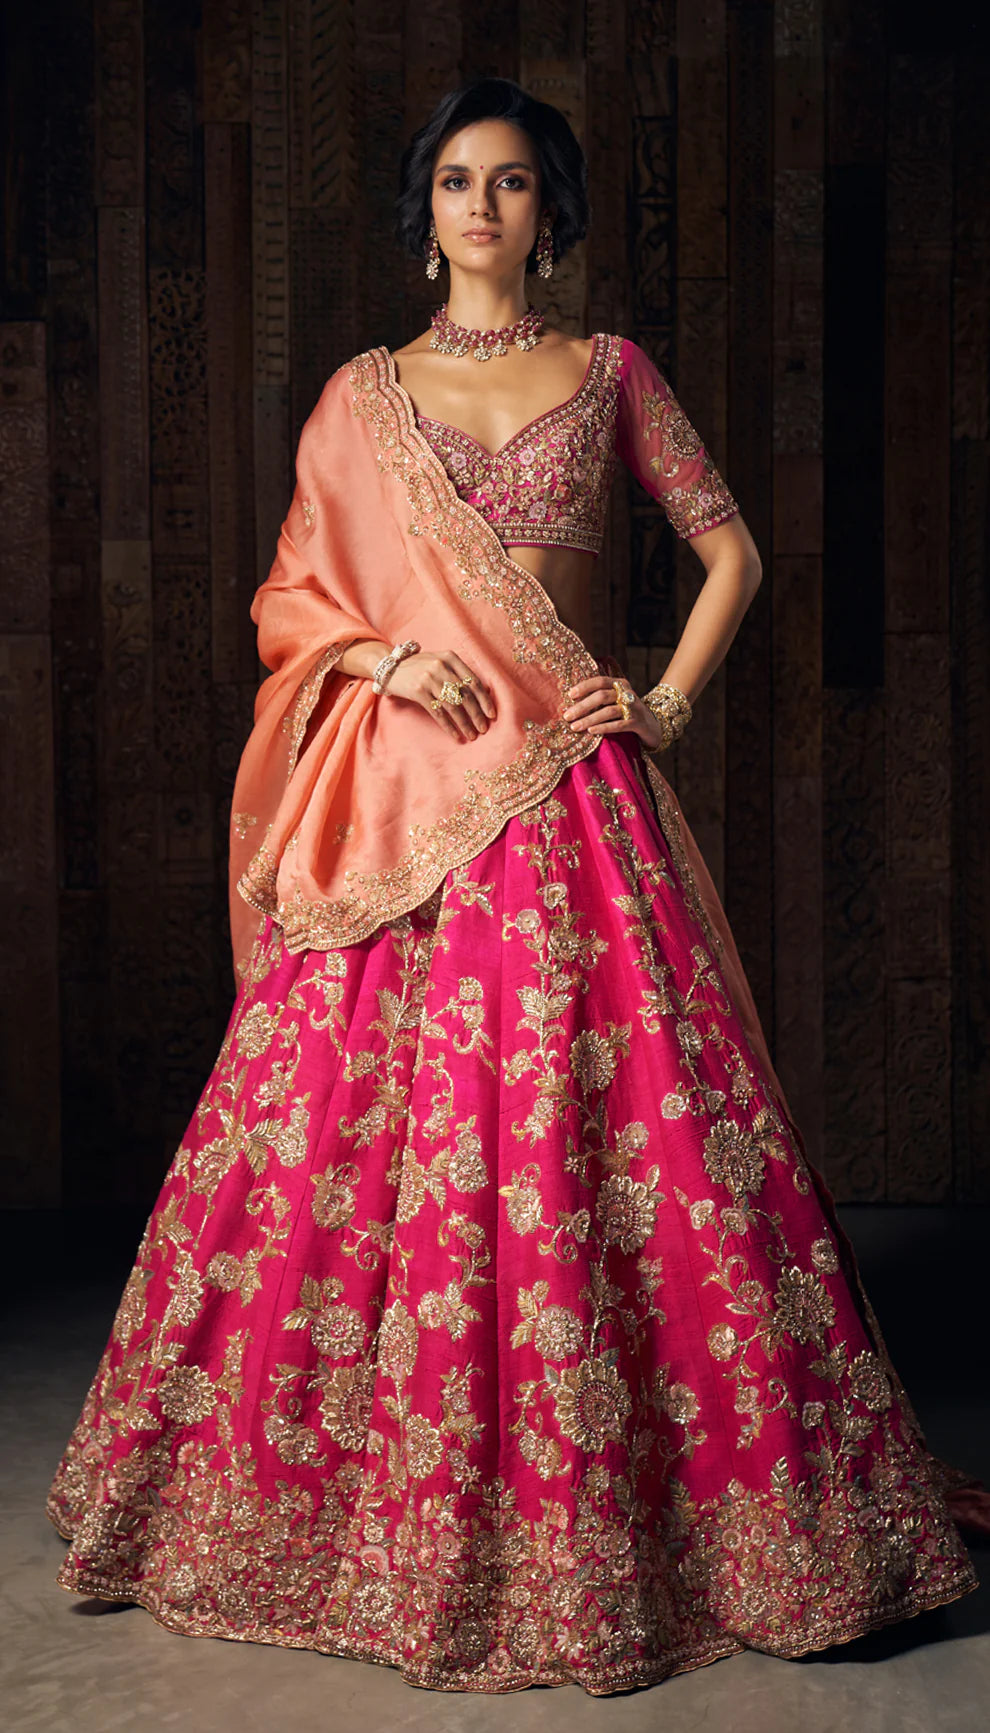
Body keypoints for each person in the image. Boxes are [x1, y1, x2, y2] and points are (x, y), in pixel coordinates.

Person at [47, 77, 987, 1697]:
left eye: (510, 184)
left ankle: (659, 1496)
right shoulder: (361, 396)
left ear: (548, 211)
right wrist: (385, 657)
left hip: (574, 789)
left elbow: (729, 550)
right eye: (454, 183)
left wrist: (666, 699)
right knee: (349, 1134)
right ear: (421, 214)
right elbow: (292, 593)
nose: (479, 208)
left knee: (616, 1128)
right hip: (403, 804)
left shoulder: (609, 371)